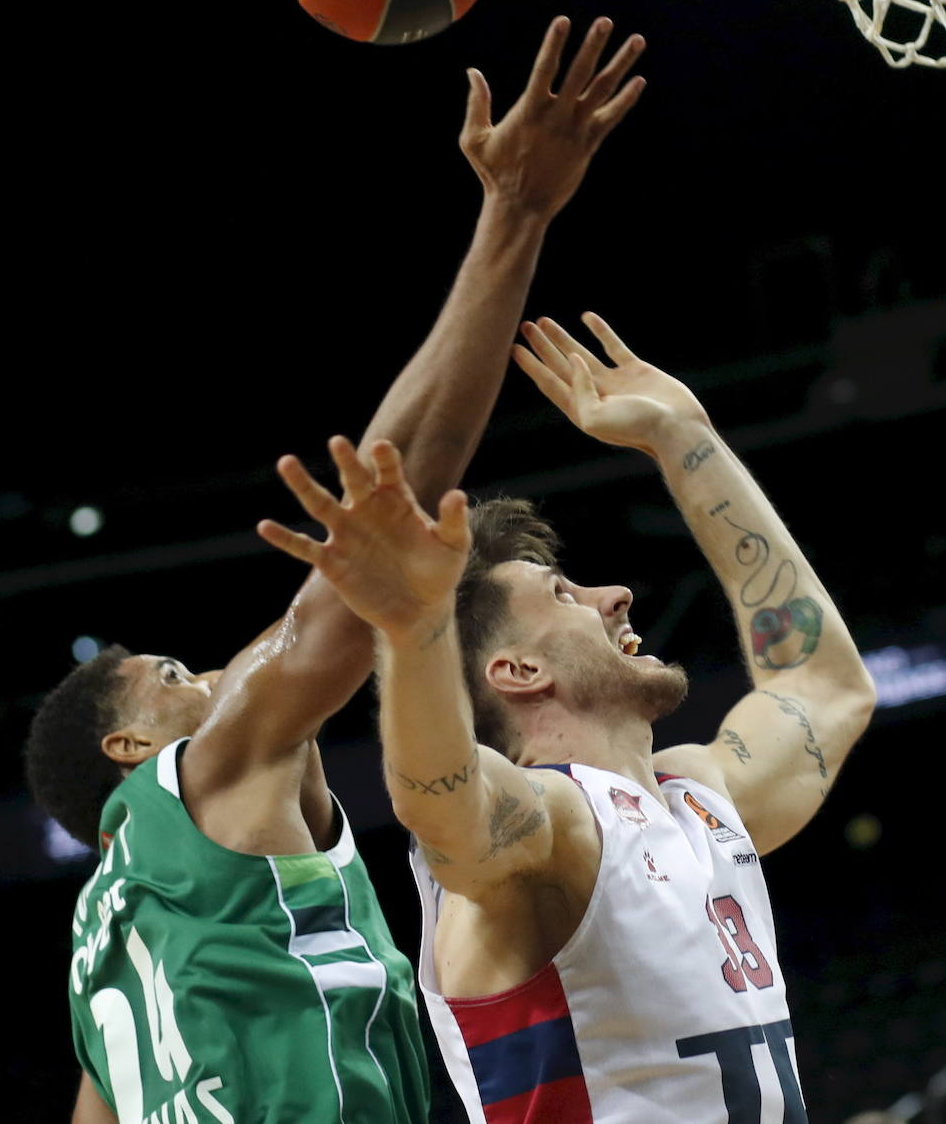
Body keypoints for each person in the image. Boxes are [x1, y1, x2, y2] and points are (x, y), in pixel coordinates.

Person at [23, 16, 647, 1124]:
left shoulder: (100, 952)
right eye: (169, 673)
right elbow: (387, 512)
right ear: (131, 750)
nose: (205, 673)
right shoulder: (205, 779)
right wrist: (516, 215)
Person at [255, 311, 877, 1123]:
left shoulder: (694, 796)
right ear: (516, 671)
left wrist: (685, 438)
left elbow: (825, 685)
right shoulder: (549, 826)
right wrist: (415, 633)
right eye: (563, 594)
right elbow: (443, 807)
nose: (613, 594)